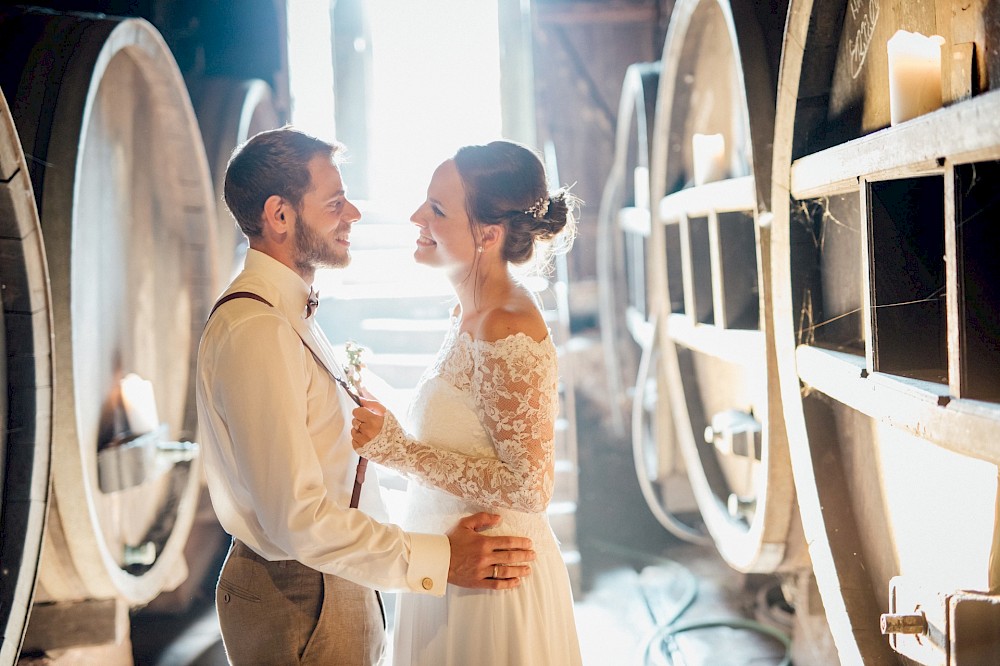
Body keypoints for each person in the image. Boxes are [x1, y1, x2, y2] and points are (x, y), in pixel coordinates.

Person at [196, 127, 536, 665]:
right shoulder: (256, 330)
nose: (353, 213)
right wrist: (439, 557)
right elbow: (300, 519)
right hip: (302, 596)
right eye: (334, 203)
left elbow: (332, 478)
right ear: (280, 216)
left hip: (334, 577)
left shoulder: (288, 312)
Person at [350, 140, 583, 665]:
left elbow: (529, 487)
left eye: (436, 209)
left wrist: (400, 454)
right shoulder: (470, 311)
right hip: (451, 564)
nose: (416, 217)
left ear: (488, 234)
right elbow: (467, 428)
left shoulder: (507, 324)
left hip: (493, 585)